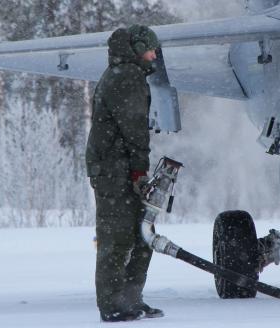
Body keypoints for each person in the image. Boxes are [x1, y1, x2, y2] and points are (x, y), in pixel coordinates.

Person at [85, 25, 163, 322]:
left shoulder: (125, 74)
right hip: (115, 172)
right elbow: (134, 129)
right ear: (137, 47)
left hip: (119, 169)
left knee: (141, 235)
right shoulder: (127, 76)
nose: (154, 54)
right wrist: (139, 171)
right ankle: (113, 305)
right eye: (151, 48)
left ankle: (130, 300)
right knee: (117, 239)